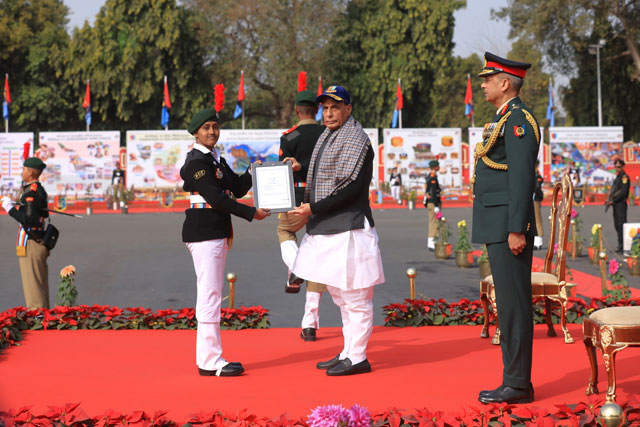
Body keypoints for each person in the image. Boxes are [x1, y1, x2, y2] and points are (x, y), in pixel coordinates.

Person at [289, 85, 385, 376]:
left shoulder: (356, 139)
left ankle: (358, 357)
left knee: (355, 298)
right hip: (329, 227)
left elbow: (349, 189)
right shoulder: (329, 136)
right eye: (326, 108)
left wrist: (312, 208)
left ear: (348, 109)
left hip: (350, 228)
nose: (329, 113)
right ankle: (348, 351)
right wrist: (299, 168)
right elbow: (323, 172)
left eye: (335, 107)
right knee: (340, 296)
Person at [180, 108, 270, 377]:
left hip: (214, 231)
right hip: (204, 232)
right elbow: (217, 199)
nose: (212, 132)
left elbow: (237, 188)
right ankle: (210, 361)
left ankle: (210, 358)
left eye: (215, 127)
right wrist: (252, 213)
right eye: (206, 127)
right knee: (210, 295)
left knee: (212, 293)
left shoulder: (215, 160)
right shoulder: (196, 163)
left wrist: (253, 170)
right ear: (195, 133)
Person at [471, 52, 540, 404]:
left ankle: (517, 383)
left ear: (504, 83)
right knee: (509, 304)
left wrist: (517, 229)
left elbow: (523, 178)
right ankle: (514, 380)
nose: (483, 85)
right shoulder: (504, 118)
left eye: (487, 80)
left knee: (513, 305)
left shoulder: (518, 121)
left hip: (507, 228)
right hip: (497, 224)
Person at [277, 90, 328, 342]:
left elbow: (282, 170)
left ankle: (296, 268)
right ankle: (309, 324)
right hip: (323, 199)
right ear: (316, 111)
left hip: (296, 197)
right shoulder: (327, 134)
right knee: (317, 259)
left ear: (297, 110)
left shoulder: (289, 136)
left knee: (285, 231)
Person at [1, 157, 51, 309]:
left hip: (31, 243)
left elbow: (29, 220)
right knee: (39, 287)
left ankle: (38, 319)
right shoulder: (38, 190)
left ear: (30, 172)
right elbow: (40, 213)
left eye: (23, 169)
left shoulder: (32, 193)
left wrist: (10, 209)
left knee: (33, 291)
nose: (21, 172)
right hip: (38, 241)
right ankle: (44, 318)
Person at [607, 158, 630, 253]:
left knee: (621, 224)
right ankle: (620, 244)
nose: (617, 168)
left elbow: (623, 192)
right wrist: (610, 199)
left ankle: (623, 245)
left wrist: (614, 200)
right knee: (617, 224)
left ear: (623, 166)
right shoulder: (618, 177)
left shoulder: (624, 177)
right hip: (616, 204)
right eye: (616, 167)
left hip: (621, 204)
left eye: (619, 167)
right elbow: (615, 190)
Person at [423, 160, 441, 251]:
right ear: (435, 167)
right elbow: (433, 192)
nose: (439, 167)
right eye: (438, 166)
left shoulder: (429, 176)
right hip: (433, 202)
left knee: (432, 222)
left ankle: (431, 242)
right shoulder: (433, 177)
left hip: (430, 202)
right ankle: (433, 242)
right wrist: (436, 205)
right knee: (435, 223)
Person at [533, 159, 544, 250]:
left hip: (535, 199)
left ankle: (538, 241)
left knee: (537, 219)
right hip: (530, 199)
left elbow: (537, 188)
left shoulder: (537, 175)